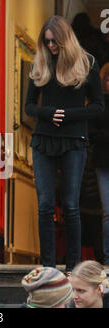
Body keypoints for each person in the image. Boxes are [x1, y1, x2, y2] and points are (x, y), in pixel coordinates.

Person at [25, 15, 104, 274]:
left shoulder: (87, 64)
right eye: (46, 42)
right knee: (45, 205)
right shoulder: (40, 64)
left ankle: (72, 267)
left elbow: (97, 107)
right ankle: (48, 267)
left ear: (65, 39)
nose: (50, 46)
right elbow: (29, 106)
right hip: (43, 140)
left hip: (74, 141)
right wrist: (47, 113)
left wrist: (69, 115)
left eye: (55, 41)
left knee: (71, 206)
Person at [89, 62, 109, 265]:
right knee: (108, 213)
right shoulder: (98, 104)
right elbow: (91, 132)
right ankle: (108, 258)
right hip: (104, 163)